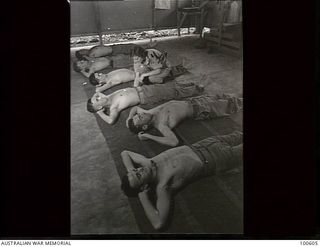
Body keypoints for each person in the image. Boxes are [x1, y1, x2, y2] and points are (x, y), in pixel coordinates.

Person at [120, 131, 243, 230]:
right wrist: (143, 198)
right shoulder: (163, 187)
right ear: (144, 187)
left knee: (239, 134)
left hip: (204, 143)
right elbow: (158, 224)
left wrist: (131, 171)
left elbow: (124, 153)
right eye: (139, 176)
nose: (139, 170)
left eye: (136, 171)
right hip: (215, 157)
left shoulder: (147, 162)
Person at [126, 94, 243, 146]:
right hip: (201, 109)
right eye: (140, 117)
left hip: (194, 100)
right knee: (234, 104)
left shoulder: (150, 113)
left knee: (226, 96)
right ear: (145, 126)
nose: (141, 113)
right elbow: (173, 142)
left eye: (139, 115)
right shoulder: (161, 125)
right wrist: (148, 136)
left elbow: (135, 108)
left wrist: (130, 118)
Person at [86, 81, 204, 125]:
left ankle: (190, 85)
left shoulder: (107, 97)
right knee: (171, 93)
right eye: (97, 100)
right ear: (100, 107)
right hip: (147, 96)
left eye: (97, 97)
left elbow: (96, 92)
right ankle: (196, 89)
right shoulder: (113, 107)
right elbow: (111, 121)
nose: (99, 97)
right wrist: (100, 113)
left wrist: (96, 100)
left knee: (168, 86)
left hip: (144, 89)